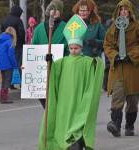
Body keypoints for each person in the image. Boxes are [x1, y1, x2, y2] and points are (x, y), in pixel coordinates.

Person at [38, 14, 104, 150]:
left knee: (77, 121)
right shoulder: (62, 62)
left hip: (79, 99)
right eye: (72, 48)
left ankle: (77, 141)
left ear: (81, 47)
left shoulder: (86, 62)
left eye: (77, 48)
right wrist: (49, 62)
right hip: (64, 99)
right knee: (63, 122)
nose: (74, 51)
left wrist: (96, 61)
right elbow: (53, 73)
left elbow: (97, 67)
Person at [104, 0, 139, 137]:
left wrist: (131, 55)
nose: (123, 12)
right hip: (118, 69)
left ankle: (129, 125)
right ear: (118, 11)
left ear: (130, 11)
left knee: (133, 101)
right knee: (117, 98)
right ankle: (115, 124)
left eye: (126, 10)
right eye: (121, 10)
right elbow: (107, 45)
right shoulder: (113, 28)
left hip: (133, 69)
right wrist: (114, 55)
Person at [32, 0, 69, 109]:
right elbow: (33, 49)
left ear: (60, 11)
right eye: (52, 9)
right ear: (48, 11)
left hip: (60, 68)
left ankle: (56, 119)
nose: (55, 11)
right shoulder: (39, 28)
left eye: (57, 9)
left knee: (57, 98)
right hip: (42, 71)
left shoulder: (66, 28)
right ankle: (50, 116)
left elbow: (70, 48)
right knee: (44, 98)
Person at [1, 5, 25, 89]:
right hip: (17, 45)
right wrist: (23, 44)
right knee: (19, 64)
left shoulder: (4, 20)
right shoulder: (18, 21)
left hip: (7, 46)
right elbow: (22, 33)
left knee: (10, 64)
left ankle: (10, 84)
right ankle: (22, 84)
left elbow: (2, 32)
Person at [0, 26, 18, 104]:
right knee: (7, 81)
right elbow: (11, 55)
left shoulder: (1, 41)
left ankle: (2, 97)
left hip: (1, 64)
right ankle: (4, 98)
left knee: (4, 81)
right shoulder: (9, 41)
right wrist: (15, 65)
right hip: (8, 65)